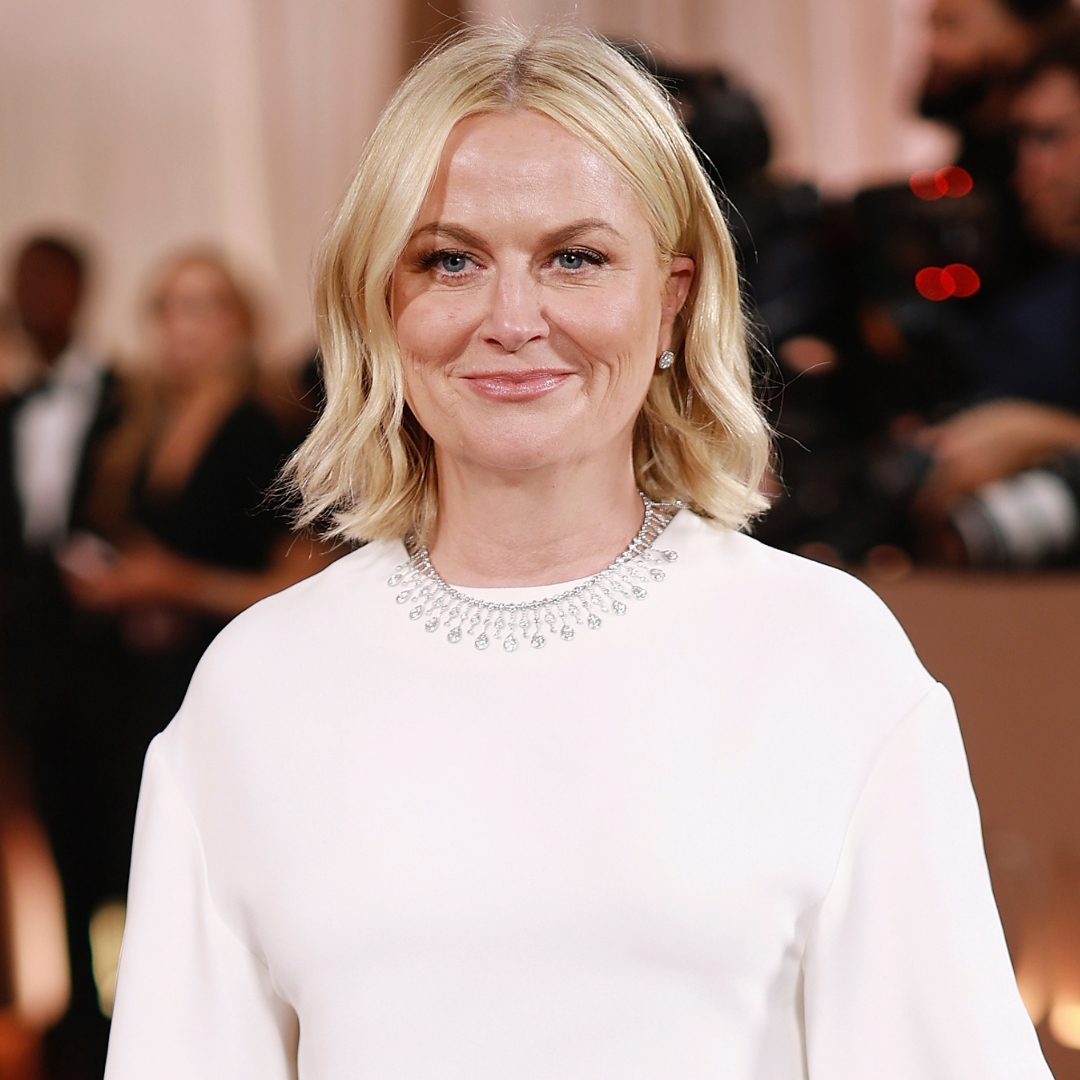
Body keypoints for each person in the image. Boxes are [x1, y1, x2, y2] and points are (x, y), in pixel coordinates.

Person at [105, 25, 1050, 1079]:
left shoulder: (830, 658)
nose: (513, 319)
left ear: (672, 302)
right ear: (381, 302)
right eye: (450, 259)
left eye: (576, 258)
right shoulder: (255, 686)